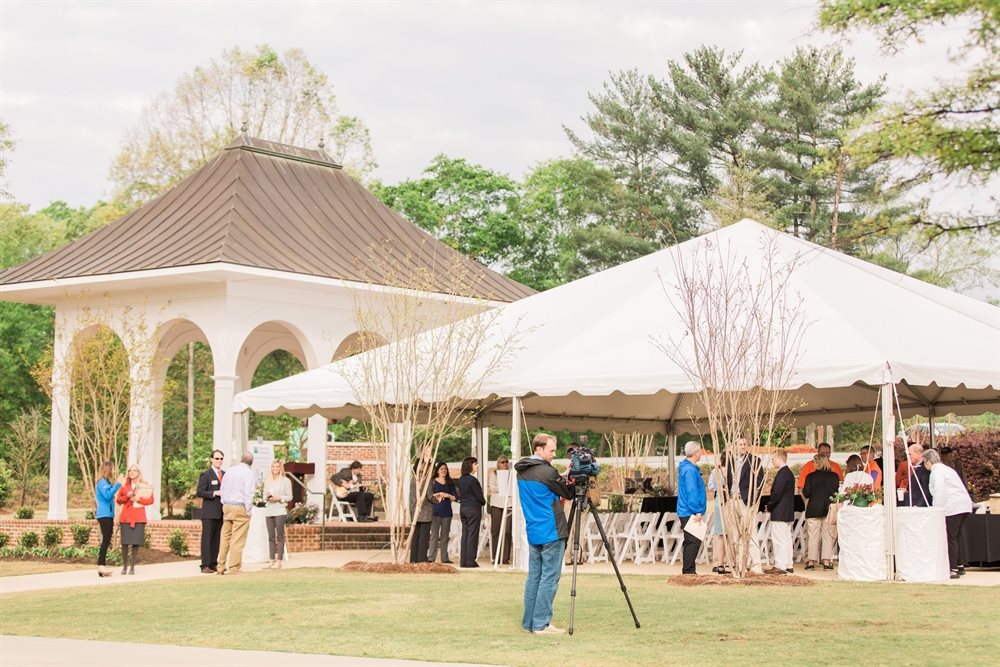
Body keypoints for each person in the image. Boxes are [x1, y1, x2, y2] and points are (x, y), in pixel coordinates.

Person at [515, 433, 573, 635]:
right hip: (551, 530)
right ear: (539, 449)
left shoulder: (523, 470)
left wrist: (561, 476)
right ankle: (541, 624)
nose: (554, 454)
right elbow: (569, 493)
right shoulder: (547, 472)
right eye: (551, 450)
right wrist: (569, 478)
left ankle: (529, 623)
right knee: (549, 578)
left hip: (534, 530)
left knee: (534, 578)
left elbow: (547, 485)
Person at [924, 449, 973, 579]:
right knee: (956, 537)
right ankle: (959, 565)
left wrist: (936, 510)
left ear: (928, 461)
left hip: (953, 506)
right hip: (964, 505)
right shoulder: (947, 469)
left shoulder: (936, 472)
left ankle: (953, 569)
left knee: (950, 538)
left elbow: (939, 492)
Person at [727, 437, 765, 573]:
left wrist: (753, 499)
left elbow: (760, 482)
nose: (742, 446)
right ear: (735, 446)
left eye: (744, 444)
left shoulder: (754, 460)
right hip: (733, 500)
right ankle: (740, 565)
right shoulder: (730, 461)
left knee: (751, 533)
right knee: (736, 535)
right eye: (740, 444)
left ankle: (756, 566)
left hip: (746, 501)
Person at [217, 451, 256, 575]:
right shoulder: (249, 473)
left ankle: (220, 566)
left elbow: (222, 489)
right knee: (237, 539)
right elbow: (249, 493)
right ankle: (234, 567)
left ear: (241, 459)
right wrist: (248, 510)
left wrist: (224, 503)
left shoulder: (230, 470)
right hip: (240, 507)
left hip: (227, 506)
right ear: (251, 462)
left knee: (225, 537)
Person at [801, 454, 839, 571]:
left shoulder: (811, 476)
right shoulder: (834, 476)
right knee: (827, 536)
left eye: (814, 462)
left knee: (813, 536)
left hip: (813, 508)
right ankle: (827, 562)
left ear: (818, 463)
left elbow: (806, 493)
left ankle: (811, 562)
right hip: (828, 509)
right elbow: (836, 492)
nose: (813, 464)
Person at [115, 464, 153, 575]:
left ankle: (132, 567)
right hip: (126, 517)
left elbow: (151, 500)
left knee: (136, 542)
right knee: (125, 543)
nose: (132, 472)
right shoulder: (124, 486)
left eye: (134, 470)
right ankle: (124, 567)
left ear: (138, 472)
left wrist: (139, 499)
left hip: (138, 517)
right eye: (130, 470)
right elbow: (118, 500)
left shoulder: (145, 485)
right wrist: (127, 496)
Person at [677, 441, 707, 575]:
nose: (701, 452)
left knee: (692, 540)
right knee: (693, 541)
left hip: (687, 510)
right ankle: (688, 571)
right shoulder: (689, 470)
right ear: (695, 452)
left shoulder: (690, 468)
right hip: (689, 510)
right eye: (700, 450)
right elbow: (692, 491)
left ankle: (689, 569)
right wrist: (697, 511)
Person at [195, 449, 226, 573]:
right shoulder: (206, 474)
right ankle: (205, 565)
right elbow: (200, 492)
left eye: (221, 459)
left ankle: (213, 563)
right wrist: (214, 493)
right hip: (209, 512)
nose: (219, 461)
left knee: (217, 539)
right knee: (207, 539)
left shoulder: (225, 474)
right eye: (217, 458)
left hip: (221, 512)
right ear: (212, 459)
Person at [766, 449, 795, 575]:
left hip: (780, 511)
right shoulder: (789, 473)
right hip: (787, 511)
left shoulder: (782, 474)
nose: (772, 462)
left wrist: (770, 505)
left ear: (779, 458)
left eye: (773, 459)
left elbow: (777, 494)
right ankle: (788, 564)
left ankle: (780, 565)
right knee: (786, 538)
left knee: (779, 539)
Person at [455, 456, 486, 568]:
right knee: (473, 535)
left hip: (463, 509)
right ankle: (470, 561)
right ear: (470, 465)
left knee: (465, 535)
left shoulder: (461, 480)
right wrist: (483, 502)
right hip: (473, 509)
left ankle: (463, 561)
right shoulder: (473, 480)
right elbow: (480, 497)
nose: (477, 466)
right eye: (475, 464)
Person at [263, 459, 293, 569]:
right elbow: (264, 496)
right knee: (271, 537)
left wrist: (279, 498)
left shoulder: (285, 481)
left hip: (280, 510)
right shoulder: (268, 481)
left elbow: (290, 497)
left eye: (277, 467)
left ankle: (279, 560)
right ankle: (271, 559)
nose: (275, 469)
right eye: (273, 467)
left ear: (280, 468)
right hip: (269, 510)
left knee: (280, 536)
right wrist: (267, 498)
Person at [94, 461, 122, 577]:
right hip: (104, 514)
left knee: (106, 539)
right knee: (106, 540)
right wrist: (118, 484)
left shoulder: (104, 482)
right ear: (107, 469)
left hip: (107, 514)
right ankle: (101, 566)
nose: (113, 471)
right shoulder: (102, 482)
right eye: (112, 469)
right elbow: (107, 496)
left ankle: (102, 567)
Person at [408, 459, 438, 563]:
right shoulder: (427, 480)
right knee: (424, 537)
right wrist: (438, 499)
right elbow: (429, 496)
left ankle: (414, 559)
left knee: (415, 536)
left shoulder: (413, 479)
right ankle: (422, 559)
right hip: (425, 512)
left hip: (414, 511)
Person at [707, 452, 731, 574]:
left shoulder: (715, 471)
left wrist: (719, 488)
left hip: (718, 501)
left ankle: (719, 563)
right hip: (729, 502)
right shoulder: (733, 472)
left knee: (720, 534)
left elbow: (710, 486)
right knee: (730, 534)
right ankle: (729, 562)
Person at [428, 461, 456, 564]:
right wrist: (438, 494)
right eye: (441, 469)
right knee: (434, 536)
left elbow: (454, 497)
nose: (443, 470)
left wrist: (447, 495)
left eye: (445, 468)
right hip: (435, 512)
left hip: (447, 512)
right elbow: (429, 495)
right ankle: (431, 557)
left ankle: (444, 558)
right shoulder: (432, 481)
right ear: (438, 470)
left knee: (445, 536)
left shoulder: (450, 482)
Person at [488, 456, 513, 565]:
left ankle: (505, 557)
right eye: (502, 462)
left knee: (507, 532)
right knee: (495, 531)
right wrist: (503, 488)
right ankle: (495, 556)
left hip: (509, 504)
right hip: (497, 504)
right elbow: (492, 488)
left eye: (506, 462)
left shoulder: (512, 474)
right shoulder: (494, 473)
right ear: (498, 463)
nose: (505, 464)